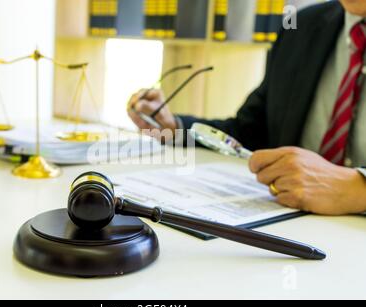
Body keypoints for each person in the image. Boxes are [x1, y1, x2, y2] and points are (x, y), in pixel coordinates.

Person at [127, 0, 366, 216]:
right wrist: (175, 127)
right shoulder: (301, 26)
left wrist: (357, 190)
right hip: (288, 222)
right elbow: (250, 133)